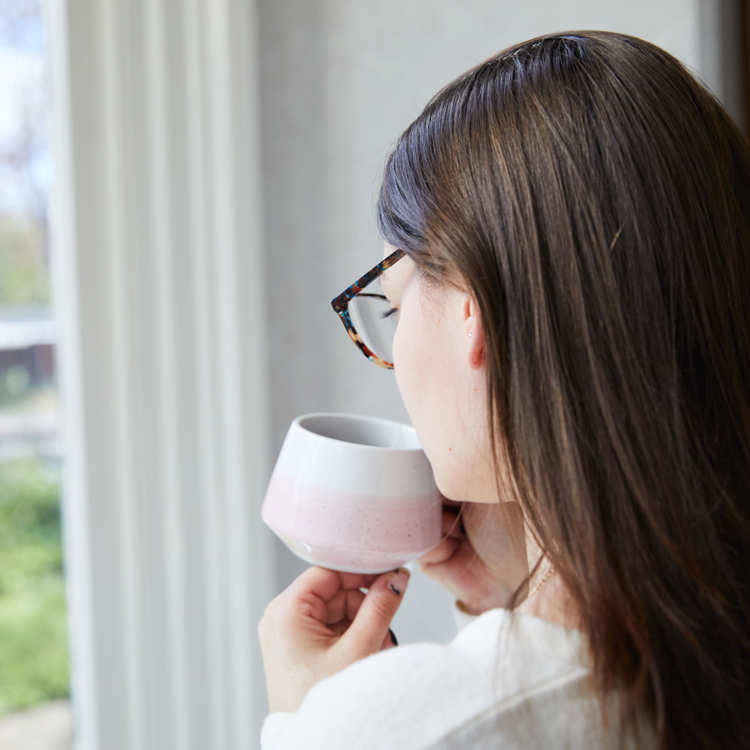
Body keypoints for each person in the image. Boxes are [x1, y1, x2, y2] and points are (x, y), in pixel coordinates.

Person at [257, 30, 750, 749]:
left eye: (393, 308)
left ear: (471, 318)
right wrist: (517, 598)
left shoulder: (405, 729)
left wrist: (308, 723)